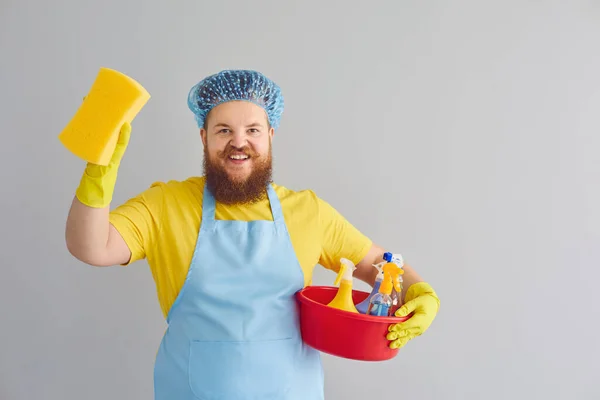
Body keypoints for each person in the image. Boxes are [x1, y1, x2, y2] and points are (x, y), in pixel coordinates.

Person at [65, 69, 440, 400]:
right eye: (224, 130)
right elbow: (92, 247)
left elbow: (379, 264)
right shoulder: (166, 204)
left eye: (253, 130)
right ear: (203, 136)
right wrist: (99, 173)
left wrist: (420, 291)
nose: (238, 142)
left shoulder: (307, 210)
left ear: (271, 135)